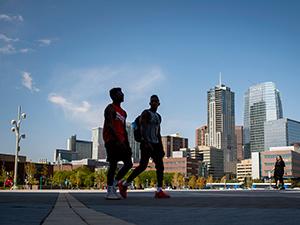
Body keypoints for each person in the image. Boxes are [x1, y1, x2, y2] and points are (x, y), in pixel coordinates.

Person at [119, 95, 170, 199]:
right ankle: (124, 184)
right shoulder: (146, 113)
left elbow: (158, 132)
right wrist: (146, 142)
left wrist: (161, 147)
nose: (154, 103)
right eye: (152, 101)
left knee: (160, 166)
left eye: (156, 101)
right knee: (143, 166)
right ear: (150, 103)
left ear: (159, 103)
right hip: (146, 143)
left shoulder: (159, 117)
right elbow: (142, 127)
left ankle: (159, 190)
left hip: (155, 144)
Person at [103, 87, 133, 200]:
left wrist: (127, 144)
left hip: (122, 141)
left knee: (129, 164)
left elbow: (124, 129)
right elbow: (110, 126)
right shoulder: (109, 108)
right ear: (114, 96)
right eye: (120, 93)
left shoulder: (124, 113)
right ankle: (109, 190)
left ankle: (115, 184)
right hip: (111, 140)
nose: (123, 95)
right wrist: (117, 140)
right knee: (113, 164)